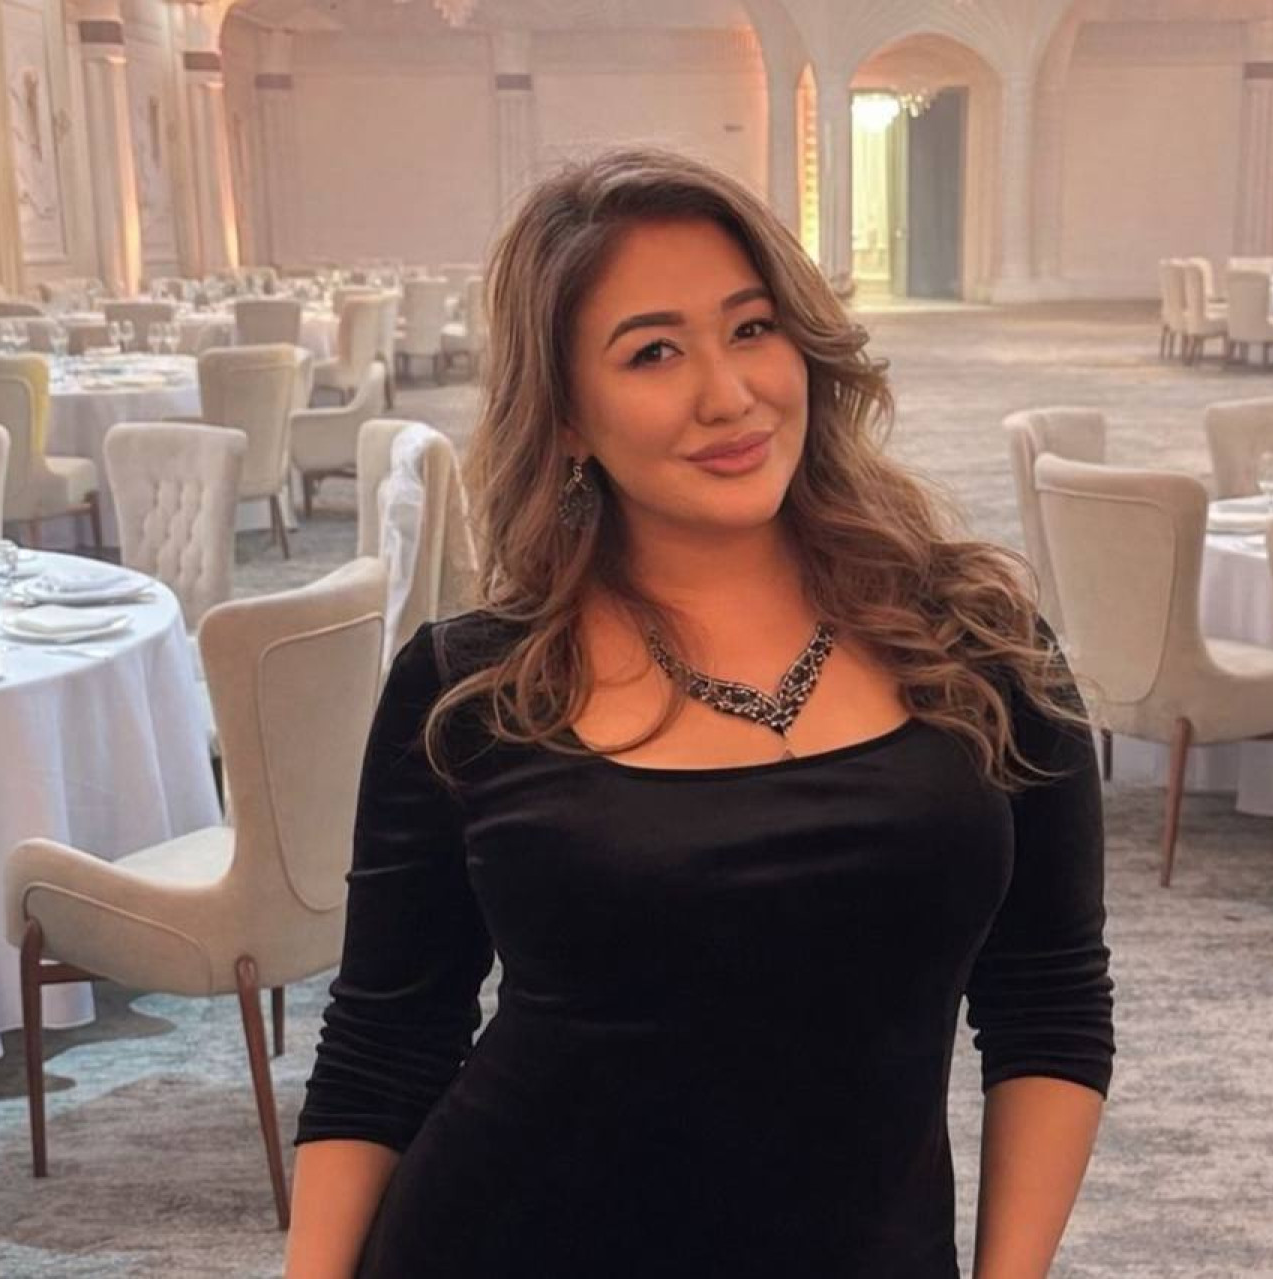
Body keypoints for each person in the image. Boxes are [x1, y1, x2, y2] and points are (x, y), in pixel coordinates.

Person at [286, 147, 1113, 1278]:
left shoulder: (982, 647)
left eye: (752, 328)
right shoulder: (474, 688)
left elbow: (1049, 1003)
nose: (728, 395)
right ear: (567, 418)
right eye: (654, 352)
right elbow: (385, 1046)